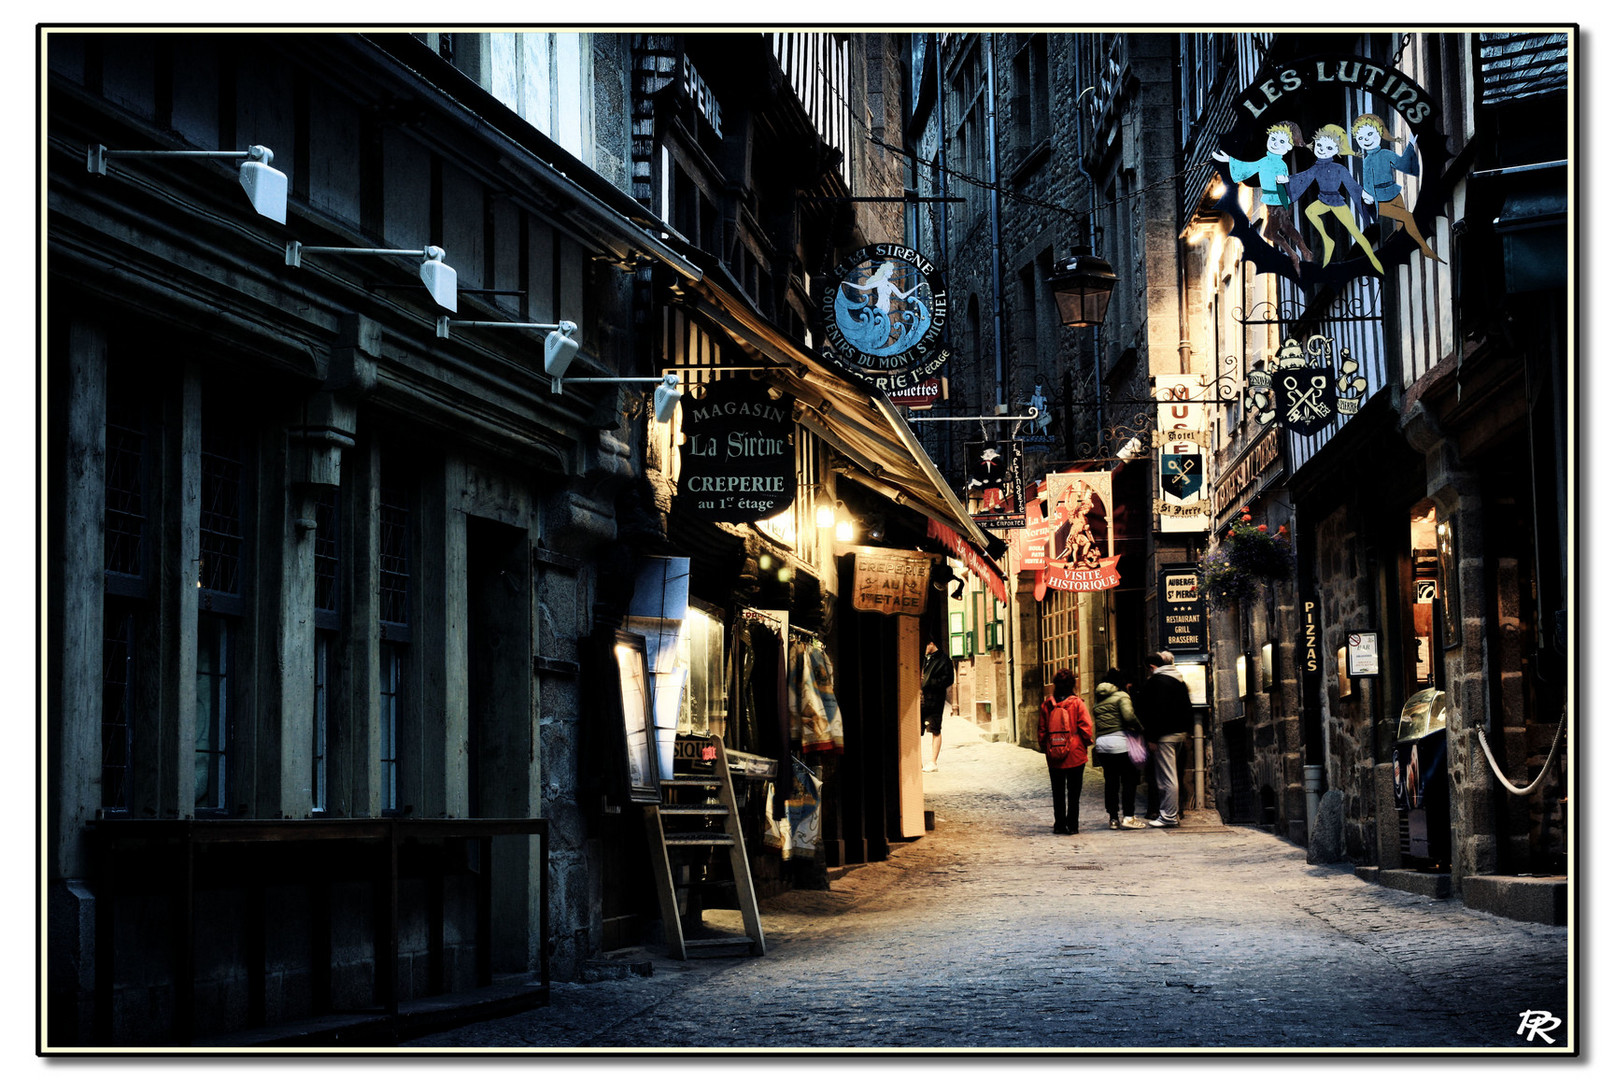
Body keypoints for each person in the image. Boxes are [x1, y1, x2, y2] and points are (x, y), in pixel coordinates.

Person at [1211, 120, 1313, 273]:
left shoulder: (1281, 165)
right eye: (1273, 139)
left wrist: (1285, 201)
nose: (1275, 144)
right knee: (1279, 230)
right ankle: (1300, 252)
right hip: (1271, 202)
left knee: (1275, 231)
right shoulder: (1265, 161)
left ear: (1287, 147)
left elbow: (1285, 182)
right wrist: (1228, 160)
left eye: (1281, 142)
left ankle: (1298, 253)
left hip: (1280, 201)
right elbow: (1248, 167)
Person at [1286, 123, 1384, 273]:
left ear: (1337, 151)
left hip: (1337, 203)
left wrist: (1364, 195)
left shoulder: (1340, 169)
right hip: (1323, 200)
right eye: (1320, 145)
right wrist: (1286, 180)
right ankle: (1327, 239)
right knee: (1310, 211)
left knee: (1355, 231)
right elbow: (1302, 177)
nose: (1322, 150)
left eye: (1329, 148)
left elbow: (1352, 185)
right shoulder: (1316, 167)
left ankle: (1373, 258)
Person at [1351, 113, 1441, 262]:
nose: (1366, 140)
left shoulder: (1386, 154)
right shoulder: (1367, 161)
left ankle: (1405, 251)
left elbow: (1403, 164)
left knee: (1401, 225)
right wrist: (1369, 200)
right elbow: (1367, 184)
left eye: (1369, 134)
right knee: (1407, 216)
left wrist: (1411, 145)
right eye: (1360, 138)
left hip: (1394, 192)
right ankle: (1424, 248)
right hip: (1380, 199)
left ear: (1379, 132)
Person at [1139, 650, 1193, 828]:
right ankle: (1171, 812)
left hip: (1164, 736)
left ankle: (1169, 815)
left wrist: (1152, 737)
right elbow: (1187, 707)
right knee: (1172, 774)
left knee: (1167, 777)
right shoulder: (1178, 680)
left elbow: (1152, 713)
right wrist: (1188, 733)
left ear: (1153, 667)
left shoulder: (1155, 683)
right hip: (1179, 734)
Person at [1038, 669, 1095, 834]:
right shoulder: (1077, 703)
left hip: (1054, 753)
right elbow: (1086, 727)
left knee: (1058, 791)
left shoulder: (1047, 704)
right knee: (1074, 792)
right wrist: (1084, 743)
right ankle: (1073, 825)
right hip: (1075, 753)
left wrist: (1047, 747)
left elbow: (1042, 730)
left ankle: (1059, 824)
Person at [1091, 667, 1146, 829]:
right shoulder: (1122, 696)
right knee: (1129, 780)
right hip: (1120, 743)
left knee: (1111, 782)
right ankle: (1129, 817)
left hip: (1103, 744)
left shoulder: (1099, 699)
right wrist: (1139, 727)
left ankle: (1113, 818)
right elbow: (1128, 716)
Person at [919, 639, 954, 772]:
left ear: (931, 644)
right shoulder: (924, 658)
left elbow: (948, 679)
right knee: (917, 730)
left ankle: (933, 762)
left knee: (935, 730)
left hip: (935, 700)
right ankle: (918, 761)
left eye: (925, 646)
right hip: (922, 699)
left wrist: (929, 682)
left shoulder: (944, 660)